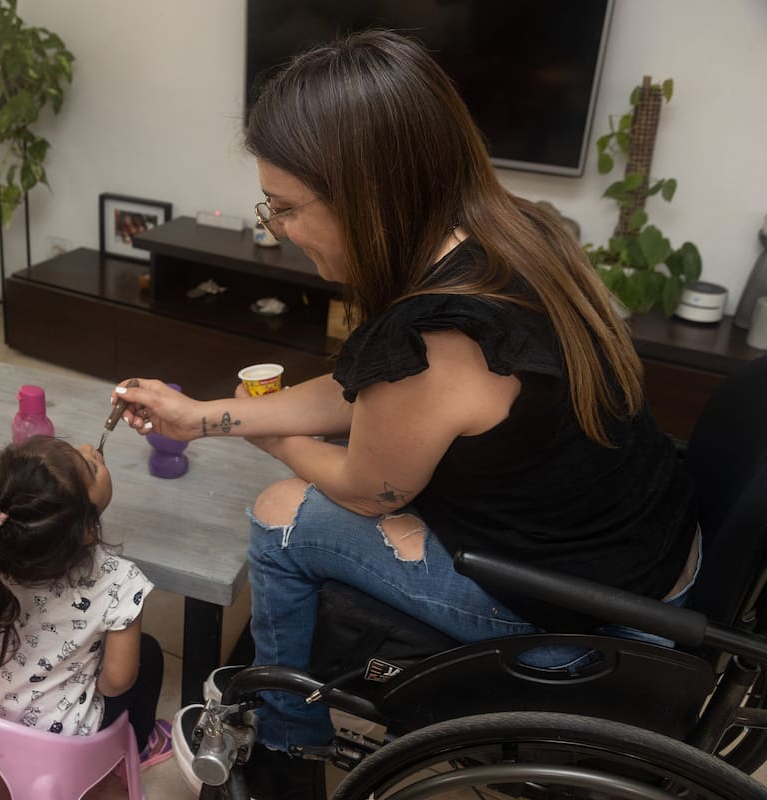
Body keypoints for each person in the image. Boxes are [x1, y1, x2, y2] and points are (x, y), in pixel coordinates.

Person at [111, 30, 699, 799]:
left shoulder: (440, 329)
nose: (278, 228)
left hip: (583, 625)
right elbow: (366, 390)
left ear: (369, 194)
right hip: (649, 557)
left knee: (281, 512)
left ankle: (281, 746)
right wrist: (203, 416)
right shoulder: (508, 234)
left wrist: (278, 441)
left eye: (287, 207)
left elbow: (366, 489)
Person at [0, 436, 172, 766]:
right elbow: (117, 682)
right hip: (60, 734)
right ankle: (140, 746)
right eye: (90, 467)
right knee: (151, 653)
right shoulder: (119, 580)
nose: (89, 451)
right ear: (87, 530)